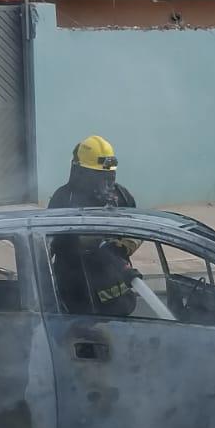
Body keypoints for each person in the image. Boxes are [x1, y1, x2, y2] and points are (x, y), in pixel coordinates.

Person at [48, 135, 141, 316]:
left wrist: (122, 247)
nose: (107, 182)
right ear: (81, 172)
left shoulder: (122, 196)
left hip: (116, 297)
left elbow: (139, 231)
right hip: (76, 295)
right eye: (99, 176)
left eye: (109, 175)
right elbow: (48, 242)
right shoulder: (64, 198)